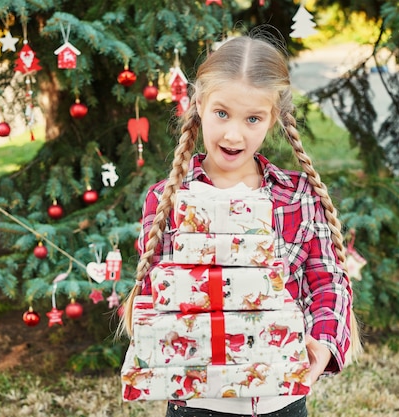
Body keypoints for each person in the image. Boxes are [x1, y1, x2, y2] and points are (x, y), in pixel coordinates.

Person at [119, 31, 360, 417]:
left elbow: (326, 279)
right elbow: (154, 291)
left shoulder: (296, 196)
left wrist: (324, 341)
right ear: (198, 104)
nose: (234, 134)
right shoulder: (168, 199)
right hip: (197, 401)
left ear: (274, 118)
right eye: (222, 113)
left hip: (280, 399)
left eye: (252, 118)